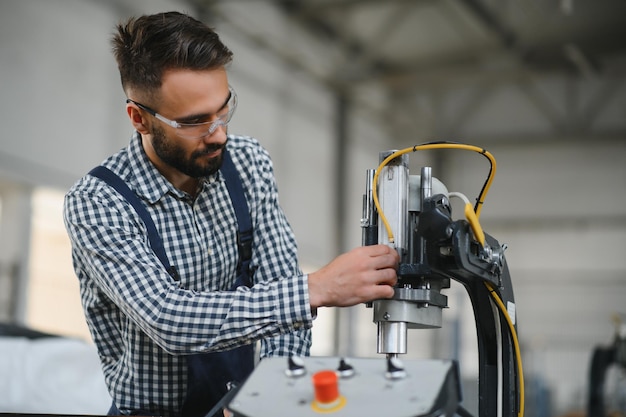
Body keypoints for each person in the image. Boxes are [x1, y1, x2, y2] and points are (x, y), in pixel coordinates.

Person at [63, 11, 398, 417]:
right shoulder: (98, 202)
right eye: (194, 122)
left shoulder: (248, 163)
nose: (219, 132)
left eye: (223, 110)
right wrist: (316, 289)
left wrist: (271, 392)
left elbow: (280, 285)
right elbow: (168, 318)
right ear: (140, 119)